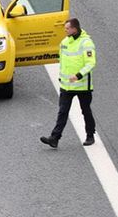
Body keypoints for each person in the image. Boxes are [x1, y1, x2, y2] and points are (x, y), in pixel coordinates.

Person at [41, 18, 96, 148]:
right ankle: (54, 138)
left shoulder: (86, 43)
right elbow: (62, 61)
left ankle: (90, 135)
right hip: (66, 85)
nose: (65, 31)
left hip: (82, 86)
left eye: (67, 28)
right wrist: (61, 78)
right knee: (63, 111)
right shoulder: (64, 42)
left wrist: (78, 75)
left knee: (86, 110)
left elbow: (90, 63)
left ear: (74, 29)